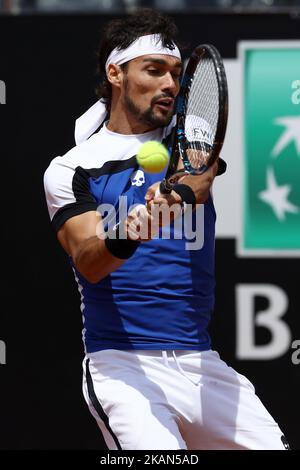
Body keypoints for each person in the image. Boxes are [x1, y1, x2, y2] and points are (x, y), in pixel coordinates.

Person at [44, 8, 289, 450]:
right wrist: (131, 230)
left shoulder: (190, 135)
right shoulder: (69, 169)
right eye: (154, 70)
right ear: (115, 74)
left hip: (202, 365)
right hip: (121, 368)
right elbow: (89, 261)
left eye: (175, 74)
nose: (170, 85)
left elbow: (197, 174)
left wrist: (165, 204)